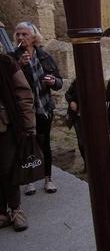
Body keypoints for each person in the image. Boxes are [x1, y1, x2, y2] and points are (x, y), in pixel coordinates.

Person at [12, 21, 63, 194]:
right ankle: (30, 179)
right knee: (27, 144)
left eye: (24, 34)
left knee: (44, 143)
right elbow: (8, 84)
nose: (20, 37)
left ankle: (48, 178)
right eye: (18, 34)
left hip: (43, 108)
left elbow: (59, 82)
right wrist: (19, 65)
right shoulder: (12, 58)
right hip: (24, 111)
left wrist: (53, 81)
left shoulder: (44, 56)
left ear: (34, 37)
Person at [0, 51, 36, 231]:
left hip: (5, 125)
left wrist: (29, 126)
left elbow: (24, 94)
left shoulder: (7, 62)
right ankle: (1, 212)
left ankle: (16, 209)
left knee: (8, 168)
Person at [65, 78, 86, 172]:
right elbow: (67, 94)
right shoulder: (76, 82)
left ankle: (94, 163)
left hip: (91, 118)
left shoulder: (95, 81)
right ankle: (87, 164)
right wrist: (71, 102)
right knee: (81, 142)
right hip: (78, 117)